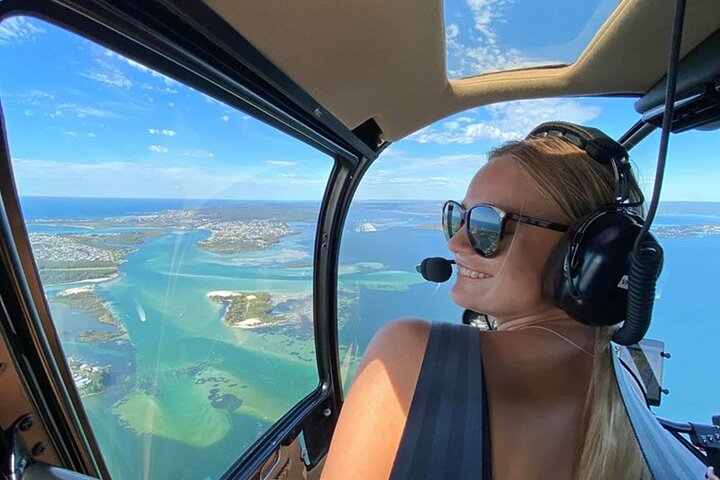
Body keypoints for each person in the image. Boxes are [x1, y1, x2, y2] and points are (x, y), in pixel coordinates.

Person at [320, 128, 669, 479]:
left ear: (588, 254)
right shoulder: (626, 381)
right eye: (458, 217)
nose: (456, 242)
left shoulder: (411, 355)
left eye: (487, 224)